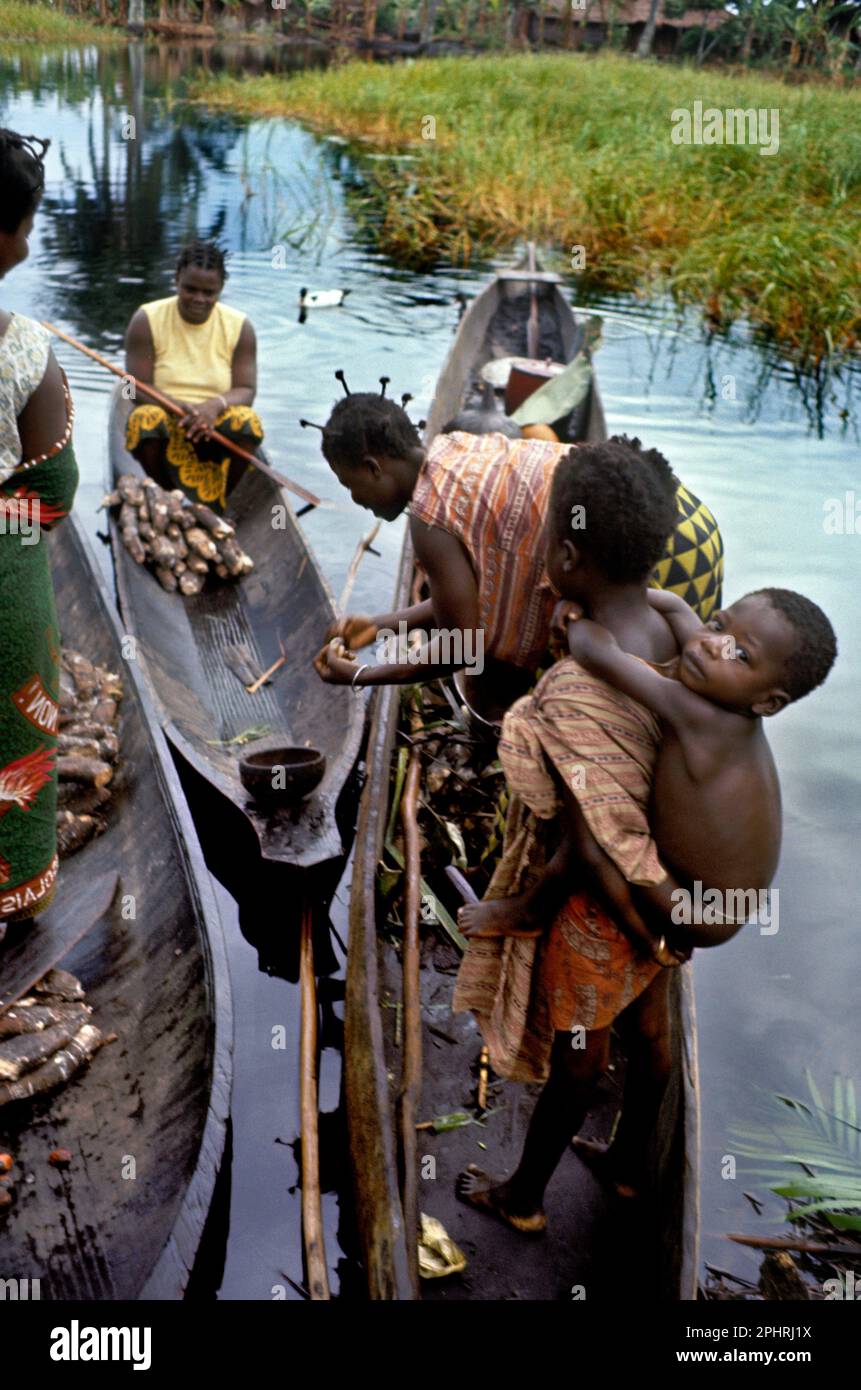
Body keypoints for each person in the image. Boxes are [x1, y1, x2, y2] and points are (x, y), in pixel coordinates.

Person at [450, 441, 740, 1228]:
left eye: (548, 541)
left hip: (597, 915)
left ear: (567, 555)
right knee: (649, 1033)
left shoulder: (577, 688)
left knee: (580, 1054)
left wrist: (518, 912)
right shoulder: (670, 639)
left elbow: (585, 841)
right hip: (664, 900)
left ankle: (524, 1197)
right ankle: (629, 1165)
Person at [311, 387, 724, 722]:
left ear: (373, 467)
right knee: (689, 685)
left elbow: (462, 646)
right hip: (687, 518)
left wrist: (362, 675)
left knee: (643, 714)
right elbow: (476, 590)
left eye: (350, 485)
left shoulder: (429, 515)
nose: (356, 500)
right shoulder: (454, 448)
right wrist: (380, 627)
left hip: (651, 551)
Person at [0, 130, 79, 937]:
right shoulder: (24, 350)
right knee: (11, 743)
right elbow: (52, 492)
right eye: (26, 224)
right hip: (5, 586)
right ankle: (9, 897)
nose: (29, 241)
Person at [124, 240, 261, 514]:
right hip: (166, 417)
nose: (199, 299)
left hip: (214, 424)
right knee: (143, 419)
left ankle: (221, 502)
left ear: (220, 289)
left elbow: (246, 389)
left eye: (209, 292)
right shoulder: (146, 319)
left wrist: (213, 407)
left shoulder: (240, 326)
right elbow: (132, 387)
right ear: (176, 281)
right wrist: (175, 407)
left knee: (249, 423)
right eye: (190, 289)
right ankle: (168, 497)